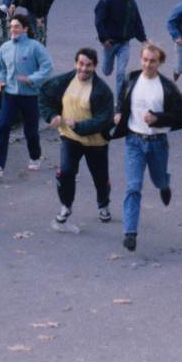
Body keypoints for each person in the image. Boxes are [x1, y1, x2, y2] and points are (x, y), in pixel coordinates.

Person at [113, 42, 182, 252]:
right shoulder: (132, 80)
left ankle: (164, 184)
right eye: (145, 59)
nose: (148, 64)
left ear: (160, 63)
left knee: (158, 178)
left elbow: (178, 116)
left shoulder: (167, 88)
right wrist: (118, 113)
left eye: (152, 61)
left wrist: (157, 118)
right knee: (133, 187)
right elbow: (121, 99)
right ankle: (130, 233)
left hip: (157, 142)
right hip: (134, 141)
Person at [39, 47, 115, 232]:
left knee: (100, 177)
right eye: (81, 64)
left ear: (95, 66)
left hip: (96, 143)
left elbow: (104, 120)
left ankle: (103, 204)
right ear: (75, 63)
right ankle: (66, 207)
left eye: (89, 65)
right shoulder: (64, 81)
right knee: (65, 172)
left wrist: (78, 126)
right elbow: (45, 97)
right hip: (70, 138)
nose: (84, 69)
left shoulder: (102, 91)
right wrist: (51, 116)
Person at [0, 13, 53, 178]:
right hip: (10, 95)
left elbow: (47, 67)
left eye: (16, 26)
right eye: (11, 26)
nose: (13, 30)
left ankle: (35, 156)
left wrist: (31, 79)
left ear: (25, 29)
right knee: (2, 127)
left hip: (30, 96)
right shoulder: (5, 48)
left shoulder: (35, 47)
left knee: (30, 131)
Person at [94, 0, 147, 103]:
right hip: (110, 43)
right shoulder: (108, 1)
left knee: (121, 73)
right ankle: (106, 66)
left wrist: (144, 40)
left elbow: (137, 22)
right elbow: (99, 21)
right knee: (107, 71)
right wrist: (104, 39)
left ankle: (119, 103)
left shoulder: (131, 2)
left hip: (125, 43)